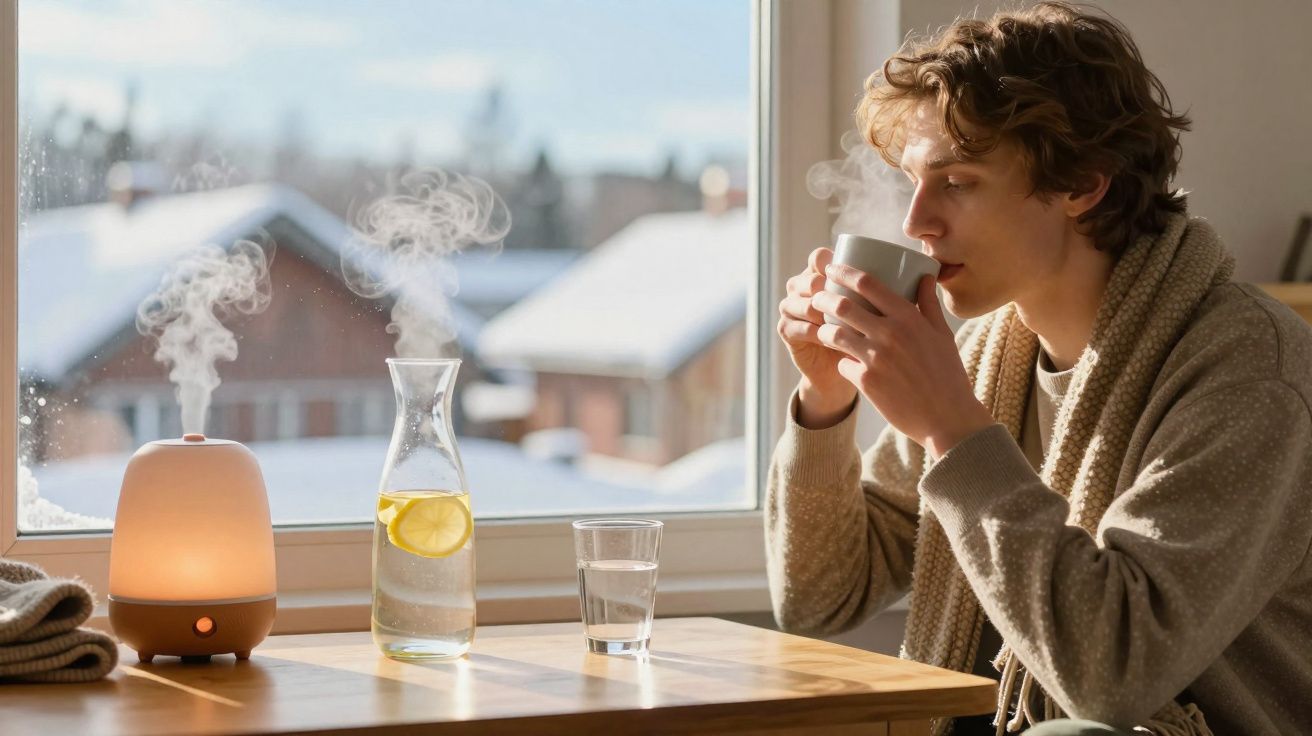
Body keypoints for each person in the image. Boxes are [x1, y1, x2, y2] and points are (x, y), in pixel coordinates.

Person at [766, 3, 1312, 735]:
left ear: (1083, 184)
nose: (916, 223)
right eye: (915, 182)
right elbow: (820, 596)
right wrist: (826, 396)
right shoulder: (991, 355)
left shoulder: (1248, 372)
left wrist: (954, 432)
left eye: (956, 181)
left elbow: (1114, 676)